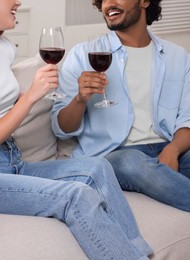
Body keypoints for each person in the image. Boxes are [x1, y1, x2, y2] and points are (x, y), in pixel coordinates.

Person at [0, 0, 153, 258]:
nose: (18, 2)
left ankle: (138, 253)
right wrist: (31, 97)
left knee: (98, 168)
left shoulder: (2, 49)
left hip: (12, 159)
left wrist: (61, 95)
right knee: (75, 196)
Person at [52, 0, 190, 212]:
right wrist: (80, 99)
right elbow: (62, 129)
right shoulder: (82, 55)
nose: (109, 4)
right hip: (114, 155)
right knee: (130, 161)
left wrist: (173, 149)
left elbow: (187, 119)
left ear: (144, 1)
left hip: (167, 147)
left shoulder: (178, 57)